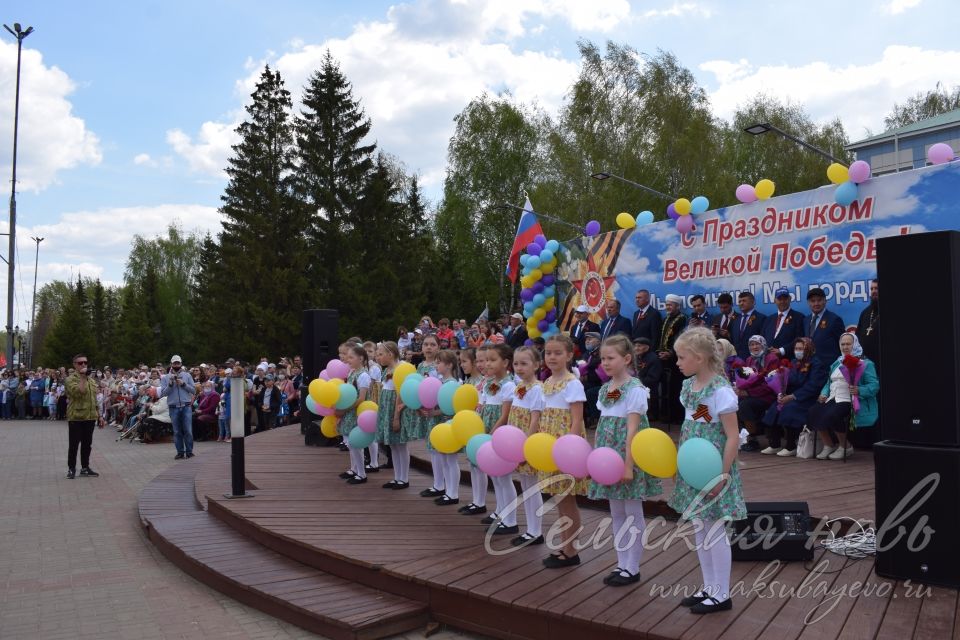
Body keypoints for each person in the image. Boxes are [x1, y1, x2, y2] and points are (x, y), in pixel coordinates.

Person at [667, 327, 746, 614]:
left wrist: (721, 475)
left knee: (714, 530)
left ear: (699, 358)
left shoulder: (721, 391)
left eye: (681, 357)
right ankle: (709, 587)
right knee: (700, 528)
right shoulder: (689, 387)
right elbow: (691, 425)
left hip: (713, 469)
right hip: (694, 466)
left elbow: (732, 436)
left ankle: (722, 593)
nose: (677, 362)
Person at [589, 334, 662, 587]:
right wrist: (595, 457)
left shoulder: (636, 390)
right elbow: (601, 425)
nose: (605, 363)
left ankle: (632, 566)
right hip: (607, 455)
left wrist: (629, 464)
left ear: (627, 359)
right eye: (602, 359)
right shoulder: (604, 389)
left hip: (626, 454)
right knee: (616, 510)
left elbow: (633, 429)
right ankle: (621, 563)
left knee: (632, 510)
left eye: (611, 358)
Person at [539, 334, 587, 569]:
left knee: (567, 498)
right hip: (549, 443)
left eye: (558, 353)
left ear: (569, 355)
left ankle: (571, 550)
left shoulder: (572, 383)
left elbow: (577, 420)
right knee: (559, 497)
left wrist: (569, 449)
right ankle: (565, 544)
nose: (552, 357)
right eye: (548, 353)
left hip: (565, 444)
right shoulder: (547, 382)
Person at [809, 333, 879, 460]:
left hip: (849, 399)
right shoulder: (837, 362)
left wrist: (859, 390)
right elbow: (829, 382)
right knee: (813, 412)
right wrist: (824, 393)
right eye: (843, 344)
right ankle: (828, 445)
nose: (845, 347)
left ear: (855, 344)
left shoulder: (865, 363)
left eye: (848, 344)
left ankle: (845, 447)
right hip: (832, 397)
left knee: (833, 415)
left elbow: (874, 385)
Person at [476, 344, 519, 535]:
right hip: (487, 430)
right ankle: (500, 512)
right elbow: (484, 407)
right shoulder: (488, 383)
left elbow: (504, 415)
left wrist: (491, 435)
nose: (487, 363)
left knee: (504, 476)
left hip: (498, 433)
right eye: (486, 360)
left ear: (505, 362)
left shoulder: (509, 385)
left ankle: (511, 521)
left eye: (492, 359)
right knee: (495, 475)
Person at [505, 345, 546, 546]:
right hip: (516, 441)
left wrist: (526, 445)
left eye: (524, 363)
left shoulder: (537, 388)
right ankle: (530, 529)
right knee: (525, 484)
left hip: (527, 441)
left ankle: (535, 531)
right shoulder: (518, 386)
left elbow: (535, 419)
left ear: (537, 365)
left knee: (532, 486)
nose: (519, 368)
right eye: (516, 363)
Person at [761, 337, 828, 456]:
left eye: (801, 349)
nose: (798, 351)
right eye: (796, 348)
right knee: (774, 408)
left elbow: (813, 386)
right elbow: (787, 381)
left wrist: (793, 396)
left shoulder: (817, 364)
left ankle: (790, 446)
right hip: (790, 396)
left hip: (808, 398)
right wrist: (782, 393)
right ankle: (774, 444)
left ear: (809, 349)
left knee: (790, 409)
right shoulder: (792, 362)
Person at [733, 336, 779, 452]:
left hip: (768, 395)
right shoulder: (749, 360)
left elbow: (770, 384)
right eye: (751, 345)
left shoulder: (772, 358)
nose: (754, 347)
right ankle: (744, 437)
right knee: (734, 403)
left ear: (763, 345)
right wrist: (739, 388)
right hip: (752, 394)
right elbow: (746, 379)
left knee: (745, 405)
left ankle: (752, 438)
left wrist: (747, 392)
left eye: (757, 344)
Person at [428, 349, 462, 506]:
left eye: (439, 362)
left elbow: (451, 407)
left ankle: (453, 493)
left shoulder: (454, 384)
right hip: (440, 421)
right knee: (444, 458)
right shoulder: (441, 382)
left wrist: (435, 412)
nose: (436, 365)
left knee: (451, 459)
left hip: (449, 422)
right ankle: (448, 491)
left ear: (449, 365)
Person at [65, 354, 105, 478]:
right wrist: (82, 378)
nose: (83, 365)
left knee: (87, 444)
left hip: (90, 417)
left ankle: (85, 467)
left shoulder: (91, 380)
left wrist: (100, 416)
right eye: (80, 363)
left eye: (85, 362)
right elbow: (79, 393)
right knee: (74, 445)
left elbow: (94, 399)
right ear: (74, 365)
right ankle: (71, 469)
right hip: (76, 416)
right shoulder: (70, 379)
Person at [338, 343, 372, 485]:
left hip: (356, 413)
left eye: (352, 357)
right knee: (350, 443)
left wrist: (345, 408)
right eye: (348, 356)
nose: (348, 359)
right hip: (349, 412)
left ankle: (362, 473)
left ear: (361, 358)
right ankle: (355, 469)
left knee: (356, 443)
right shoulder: (352, 373)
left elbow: (361, 398)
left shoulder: (363, 375)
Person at [377, 342, 408, 489]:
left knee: (400, 445)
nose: (378, 357)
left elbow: (399, 394)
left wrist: (396, 417)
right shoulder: (387, 370)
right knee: (393, 446)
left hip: (396, 410)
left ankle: (404, 478)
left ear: (391, 354)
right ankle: (397, 476)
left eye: (381, 354)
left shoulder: (399, 369)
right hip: (387, 409)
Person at [657, 294, 688, 423]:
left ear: (677, 306)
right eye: (667, 304)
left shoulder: (683, 319)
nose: (668, 307)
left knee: (676, 388)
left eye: (671, 305)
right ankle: (666, 415)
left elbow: (682, 339)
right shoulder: (665, 319)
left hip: (677, 358)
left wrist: (671, 353)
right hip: (664, 359)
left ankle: (677, 417)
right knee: (665, 387)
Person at [159, 355, 196, 460]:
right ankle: (180, 452)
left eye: (178, 363)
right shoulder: (165, 377)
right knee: (177, 431)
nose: (176, 365)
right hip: (173, 407)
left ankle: (189, 452)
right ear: (171, 364)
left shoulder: (187, 375)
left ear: (181, 364)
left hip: (186, 406)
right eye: (174, 363)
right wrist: (170, 384)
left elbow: (194, 390)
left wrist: (184, 384)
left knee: (188, 430)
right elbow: (162, 394)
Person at [803, 288, 845, 366]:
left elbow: (843, 345)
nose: (816, 303)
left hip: (828, 368)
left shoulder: (834, 319)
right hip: (810, 367)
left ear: (825, 301)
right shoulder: (806, 320)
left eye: (819, 300)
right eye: (813, 301)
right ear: (808, 303)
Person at [762, 287, 805, 356]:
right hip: (769, 360)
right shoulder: (769, 319)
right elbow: (762, 338)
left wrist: (782, 350)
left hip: (789, 361)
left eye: (785, 299)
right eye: (779, 299)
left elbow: (799, 339)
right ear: (775, 300)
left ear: (790, 299)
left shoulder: (799, 317)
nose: (782, 301)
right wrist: (766, 349)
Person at [729, 291, 766, 359]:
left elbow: (763, 341)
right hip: (737, 361)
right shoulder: (735, 320)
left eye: (744, 301)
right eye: (739, 301)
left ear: (753, 302)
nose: (741, 303)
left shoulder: (761, 318)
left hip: (754, 360)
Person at [579, 331, 603, 427]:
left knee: (590, 393)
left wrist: (587, 366)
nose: (587, 341)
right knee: (579, 390)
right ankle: (583, 420)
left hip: (601, 382)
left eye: (590, 339)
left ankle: (596, 418)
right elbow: (581, 364)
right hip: (588, 381)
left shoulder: (601, 352)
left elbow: (595, 363)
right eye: (586, 340)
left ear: (598, 341)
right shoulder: (587, 353)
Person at [856, 279, 880, 375]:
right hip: (866, 365)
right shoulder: (865, 312)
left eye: (876, 288)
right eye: (871, 289)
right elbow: (857, 336)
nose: (873, 291)